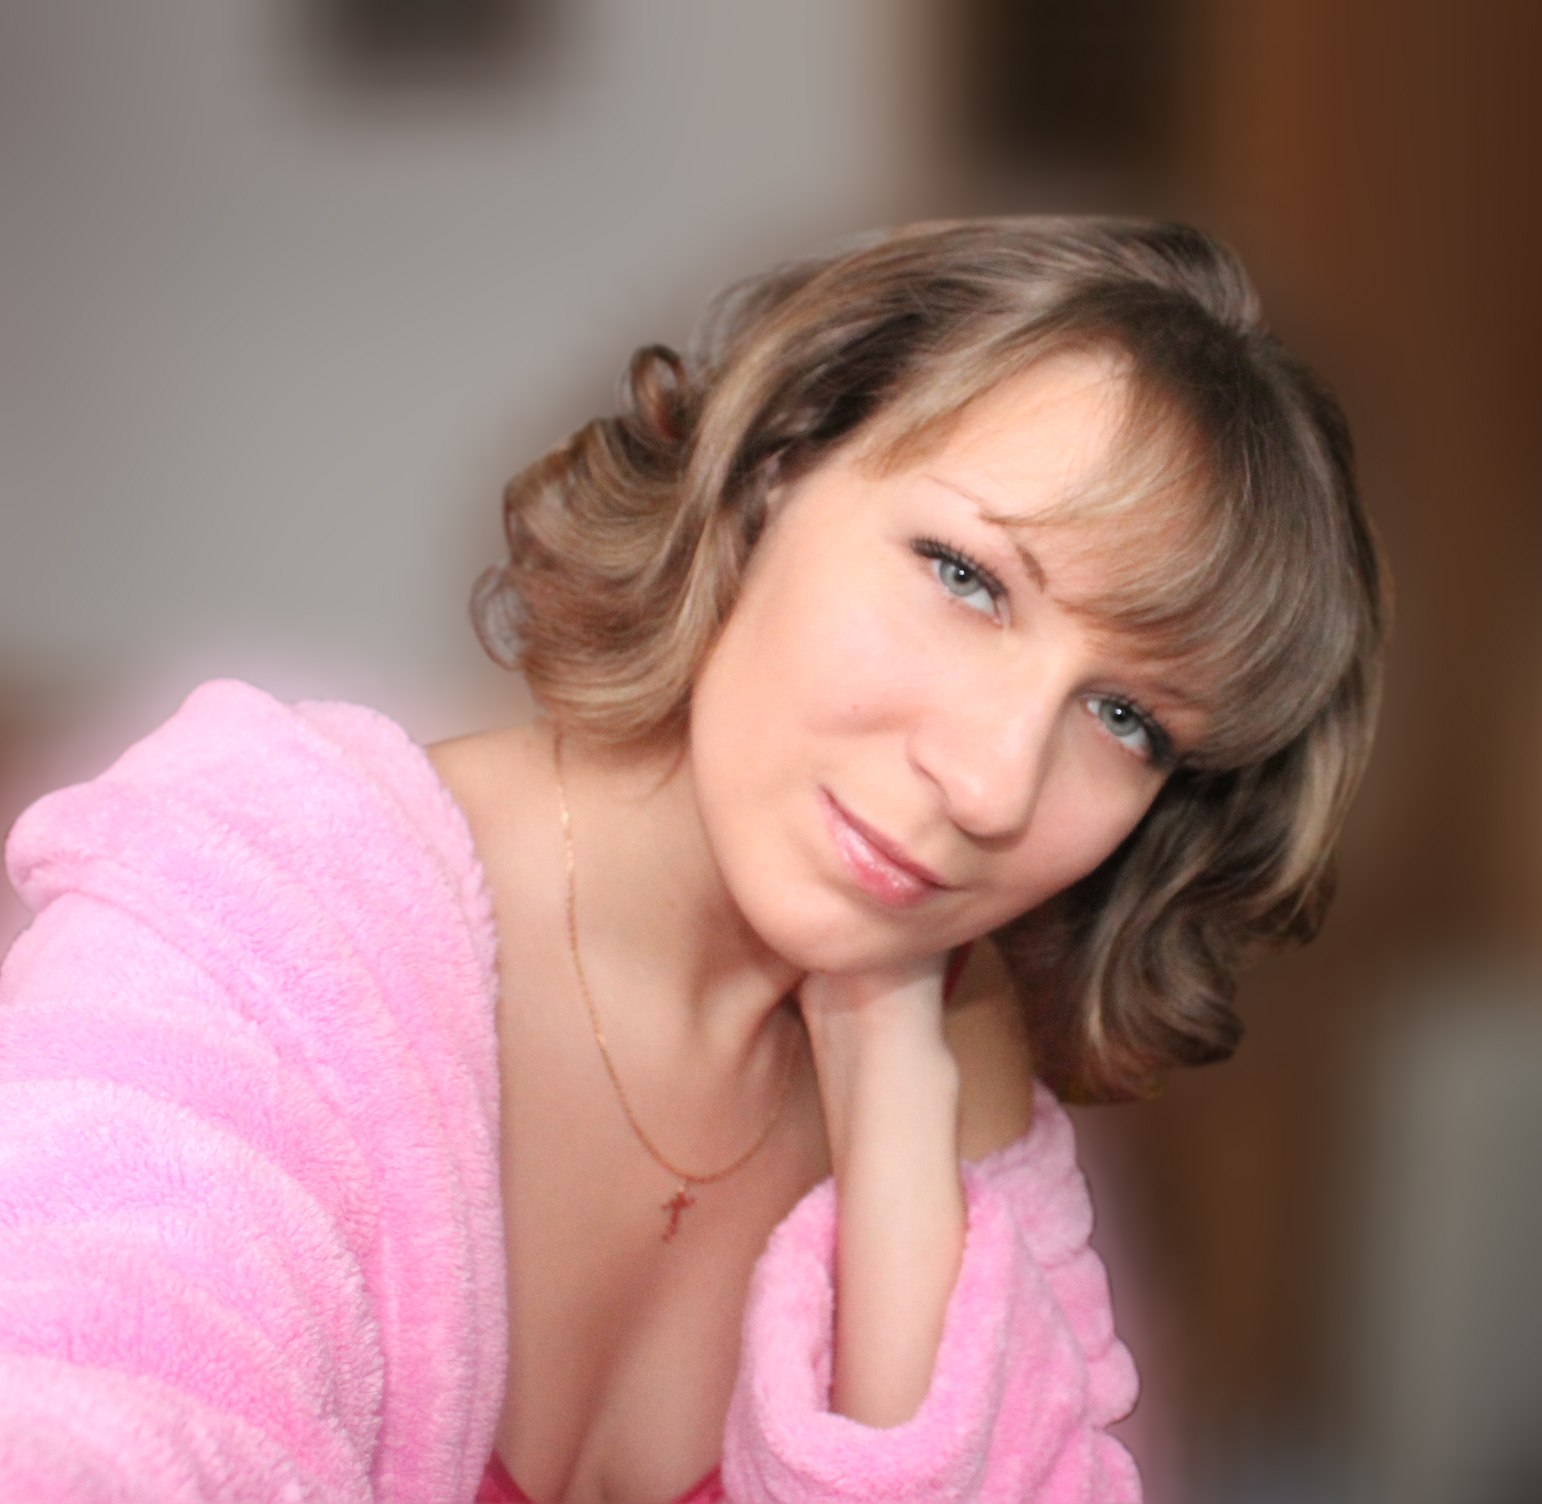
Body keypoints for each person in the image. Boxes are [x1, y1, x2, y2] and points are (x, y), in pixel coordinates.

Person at [0, 218, 1385, 1503]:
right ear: (771, 472)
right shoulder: (258, 920)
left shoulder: (961, 1089)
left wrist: (898, 1113)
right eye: (966, 578)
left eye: (1127, 719)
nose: (990, 785)